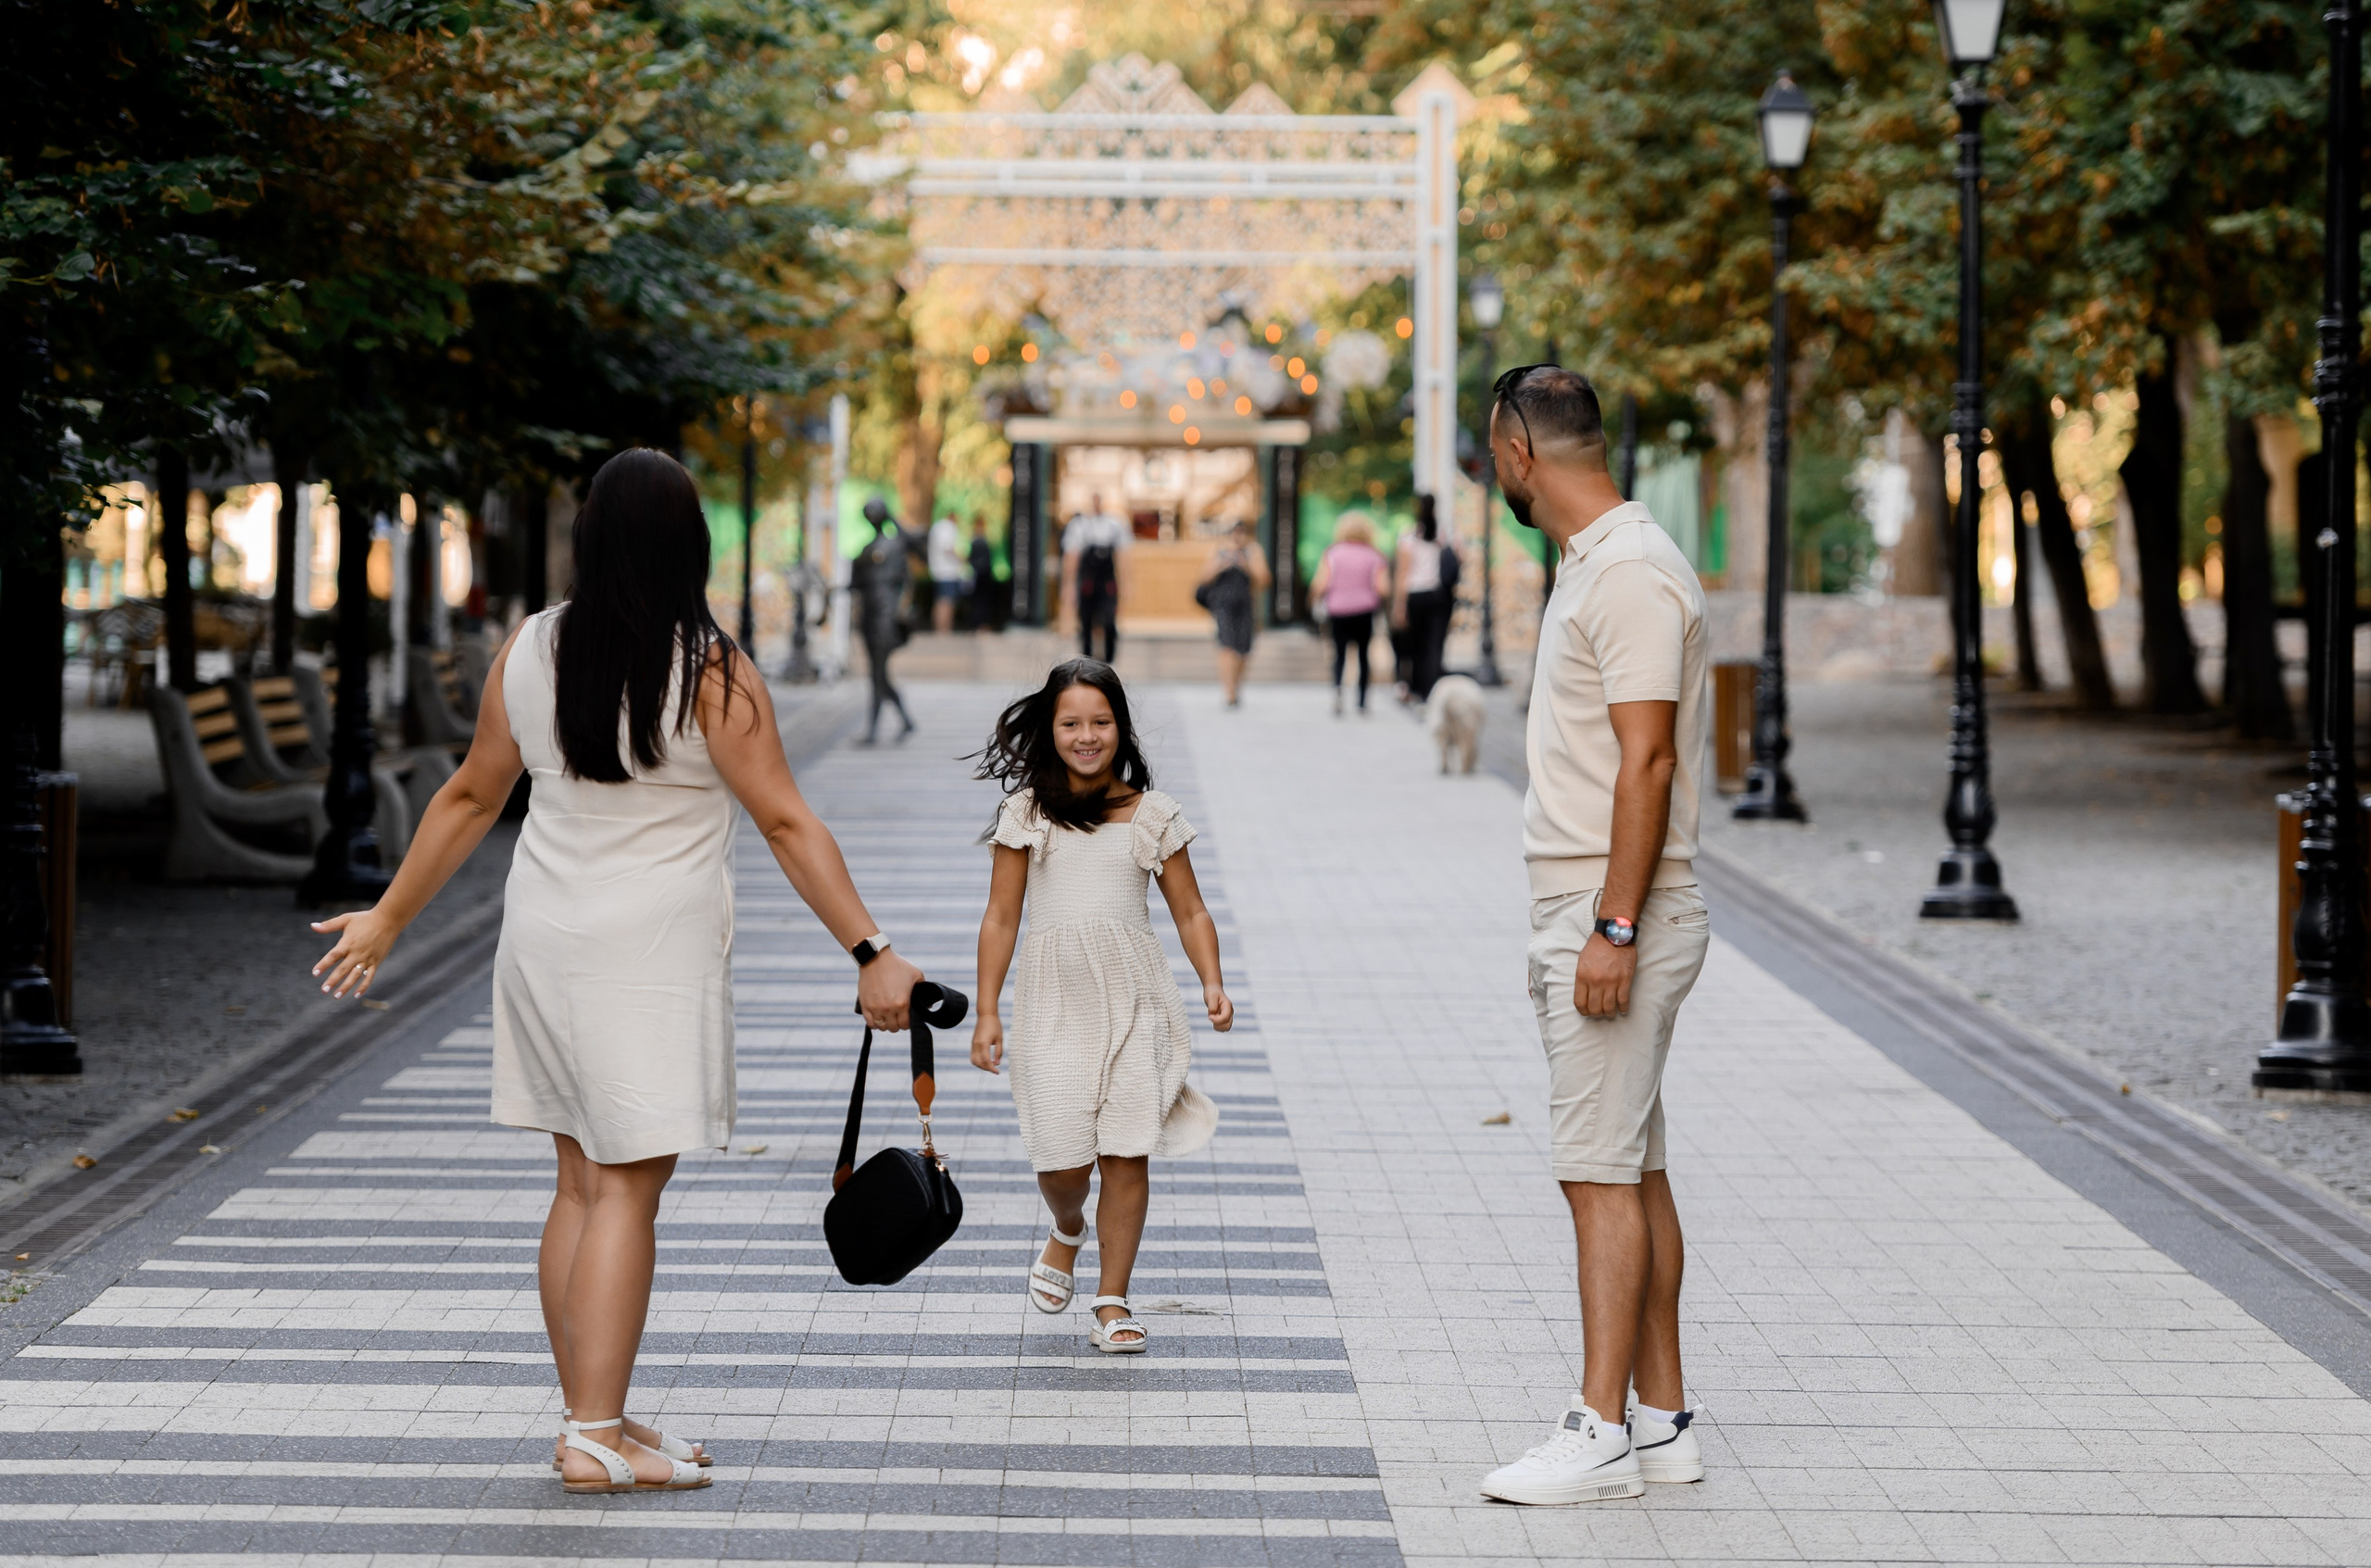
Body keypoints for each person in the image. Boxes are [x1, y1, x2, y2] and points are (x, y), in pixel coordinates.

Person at [307, 448, 924, 1495]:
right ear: (691, 545)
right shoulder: (711, 669)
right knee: (628, 1190)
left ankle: (596, 1413)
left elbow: (470, 796)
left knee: (580, 1184)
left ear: (589, 537)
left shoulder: (532, 647)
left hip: (543, 940)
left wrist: (388, 918)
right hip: (647, 954)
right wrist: (871, 949)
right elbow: (784, 820)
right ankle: (593, 1433)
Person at [1474, 366, 1712, 1506]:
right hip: (1592, 903)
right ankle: (1661, 1420)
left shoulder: (1626, 572)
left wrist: (1612, 925)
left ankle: (1598, 1428)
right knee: (1633, 1165)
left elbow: (1647, 759)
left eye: (1493, 456)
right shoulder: (1597, 563)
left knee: (1594, 1176)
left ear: (1520, 451)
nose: (1495, 475)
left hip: (1612, 909)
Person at [968, 659, 1228, 1354]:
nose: (1087, 736)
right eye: (1071, 724)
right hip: (1054, 1006)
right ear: (1051, 730)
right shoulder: (1026, 814)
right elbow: (1000, 918)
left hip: (1136, 1001)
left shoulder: (1151, 814)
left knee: (1125, 1152)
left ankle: (1112, 1299)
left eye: (1101, 722)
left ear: (1122, 727)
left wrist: (1211, 980)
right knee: (1061, 1161)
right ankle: (1067, 1226)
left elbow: (1191, 910)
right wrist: (988, 1011)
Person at [1308, 511, 1390, 716]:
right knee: (1363, 655)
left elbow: (1321, 584)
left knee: (1339, 654)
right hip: (1364, 610)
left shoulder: (1332, 554)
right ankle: (1362, 701)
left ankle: (1338, 691)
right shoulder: (1375, 556)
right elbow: (1383, 588)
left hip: (1338, 611)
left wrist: (1314, 600)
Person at [849, 496, 918, 743]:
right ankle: (905, 720)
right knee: (878, 673)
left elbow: (908, 578)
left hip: (885, 616)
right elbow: (855, 585)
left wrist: (901, 609)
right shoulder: (866, 550)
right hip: (869, 615)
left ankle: (873, 729)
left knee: (878, 673)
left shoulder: (895, 545)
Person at [1391, 495, 1457, 704]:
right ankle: (1429, 690)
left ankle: (1415, 689)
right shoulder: (1442, 535)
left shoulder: (1408, 536)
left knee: (1414, 645)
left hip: (1415, 596)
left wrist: (1399, 606)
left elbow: (1402, 574)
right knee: (1433, 645)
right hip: (1437, 596)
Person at [1197, 520, 1270, 707]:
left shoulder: (1253, 551)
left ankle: (1236, 685)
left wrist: (1246, 564)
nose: (1237, 536)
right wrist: (1223, 563)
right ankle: (1229, 690)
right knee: (1226, 646)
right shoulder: (1219, 551)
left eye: (1241, 532)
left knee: (1243, 649)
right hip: (1223, 605)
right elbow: (1204, 578)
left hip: (1245, 605)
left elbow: (1264, 580)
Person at [1062, 493, 1127, 663]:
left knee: (1109, 619)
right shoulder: (1080, 525)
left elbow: (1123, 555)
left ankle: (1109, 658)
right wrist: (1069, 585)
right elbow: (1072, 556)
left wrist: (1126, 584)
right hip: (1088, 581)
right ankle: (1087, 659)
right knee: (1086, 621)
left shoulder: (1114, 525)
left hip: (1107, 581)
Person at [927, 511, 965, 633]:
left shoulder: (936, 528)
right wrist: (961, 560)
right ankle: (944, 629)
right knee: (947, 602)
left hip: (938, 571)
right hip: (948, 572)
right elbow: (948, 548)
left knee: (940, 601)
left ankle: (939, 628)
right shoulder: (948, 528)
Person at [967, 514, 999, 632]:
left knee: (981, 601)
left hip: (982, 574)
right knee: (980, 601)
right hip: (981, 574)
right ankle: (979, 624)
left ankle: (980, 624)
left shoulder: (978, 540)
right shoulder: (977, 541)